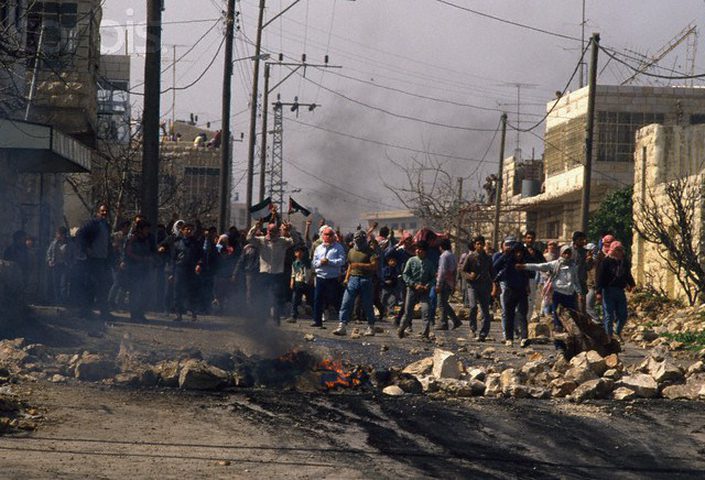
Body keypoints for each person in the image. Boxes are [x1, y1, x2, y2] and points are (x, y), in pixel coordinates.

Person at [518, 244, 581, 351]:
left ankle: (571, 345)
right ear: (561, 253)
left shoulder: (573, 266)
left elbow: (575, 281)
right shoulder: (555, 264)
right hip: (558, 294)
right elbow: (540, 266)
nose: (567, 255)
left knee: (571, 320)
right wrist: (524, 266)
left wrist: (579, 293)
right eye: (565, 253)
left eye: (569, 253)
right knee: (557, 320)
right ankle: (559, 345)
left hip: (570, 295)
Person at [247, 219, 299, 324]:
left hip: (277, 273)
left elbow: (296, 241)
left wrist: (291, 230)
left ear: (277, 232)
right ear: (267, 231)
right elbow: (249, 238)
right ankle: (263, 318)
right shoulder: (261, 240)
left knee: (277, 297)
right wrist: (256, 227)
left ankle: (276, 317)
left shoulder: (283, 241)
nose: (271, 233)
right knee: (264, 296)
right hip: (264, 273)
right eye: (269, 231)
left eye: (274, 231)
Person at [335, 230, 378, 336]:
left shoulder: (370, 252)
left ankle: (371, 326)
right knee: (346, 302)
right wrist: (346, 278)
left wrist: (360, 265)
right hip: (353, 279)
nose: (358, 242)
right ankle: (342, 326)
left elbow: (374, 266)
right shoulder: (351, 251)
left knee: (367, 304)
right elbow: (350, 265)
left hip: (366, 279)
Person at [76, 203, 113, 320]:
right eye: (102, 211)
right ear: (98, 212)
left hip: (102, 260)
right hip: (93, 260)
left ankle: (103, 312)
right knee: (91, 286)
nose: (104, 213)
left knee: (104, 286)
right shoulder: (93, 224)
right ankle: (85, 312)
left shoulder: (106, 225)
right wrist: (86, 249)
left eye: (106, 211)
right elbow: (80, 234)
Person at [493, 241, 531, 347]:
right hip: (510, 291)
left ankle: (524, 338)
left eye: (521, 252)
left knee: (522, 314)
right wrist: (505, 254)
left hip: (522, 291)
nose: (519, 255)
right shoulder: (508, 261)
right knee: (509, 315)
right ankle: (509, 338)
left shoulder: (524, 262)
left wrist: (527, 286)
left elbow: (529, 272)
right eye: (516, 252)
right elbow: (495, 266)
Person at [596, 241, 635, 343]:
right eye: (617, 250)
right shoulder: (606, 261)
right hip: (608, 290)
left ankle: (617, 331)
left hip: (620, 290)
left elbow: (627, 274)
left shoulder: (623, 262)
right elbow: (600, 277)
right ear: (613, 250)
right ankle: (608, 337)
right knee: (609, 315)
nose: (620, 252)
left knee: (623, 314)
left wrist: (632, 284)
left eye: (621, 250)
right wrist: (599, 292)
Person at [397, 240, 435, 339]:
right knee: (408, 312)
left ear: (425, 251)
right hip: (412, 290)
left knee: (426, 311)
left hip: (424, 292)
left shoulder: (429, 264)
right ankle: (401, 329)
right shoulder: (411, 261)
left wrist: (428, 285)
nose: (418, 251)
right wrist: (413, 284)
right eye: (417, 249)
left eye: (420, 250)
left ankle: (425, 334)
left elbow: (433, 278)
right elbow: (405, 274)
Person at [311, 227, 346, 328]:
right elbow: (314, 262)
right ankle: (317, 320)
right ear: (322, 236)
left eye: (330, 235)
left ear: (333, 236)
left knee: (334, 299)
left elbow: (342, 261)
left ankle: (342, 321)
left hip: (333, 278)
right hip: (320, 277)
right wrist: (320, 262)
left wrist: (329, 262)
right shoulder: (318, 248)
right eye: (326, 235)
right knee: (318, 299)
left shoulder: (338, 247)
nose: (327, 237)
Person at [463, 235, 495, 342]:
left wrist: (495, 286)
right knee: (473, 307)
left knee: (485, 310)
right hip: (472, 286)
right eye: (478, 244)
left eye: (481, 244)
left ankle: (483, 333)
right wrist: (469, 276)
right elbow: (463, 271)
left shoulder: (488, 258)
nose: (480, 246)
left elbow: (492, 273)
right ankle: (473, 329)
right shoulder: (470, 257)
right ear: (474, 245)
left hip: (484, 286)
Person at [172, 223, 202, 321]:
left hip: (191, 269)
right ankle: (178, 313)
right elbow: (173, 258)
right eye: (187, 229)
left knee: (192, 291)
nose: (189, 231)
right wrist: (172, 273)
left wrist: (199, 264)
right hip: (180, 269)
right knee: (178, 291)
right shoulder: (177, 243)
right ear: (182, 230)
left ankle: (193, 312)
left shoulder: (196, 243)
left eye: (191, 229)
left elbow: (201, 256)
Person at [124, 219, 153, 322]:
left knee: (144, 292)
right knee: (135, 293)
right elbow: (128, 253)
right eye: (145, 229)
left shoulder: (147, 239)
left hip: (144, 269)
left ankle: (140, 314)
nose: (147, 231)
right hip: (134, 269)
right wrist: (141, 259)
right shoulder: (133, 238)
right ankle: (134, 315)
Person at [586, 234, 614, 323]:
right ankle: (599, 321)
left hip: (603, 286)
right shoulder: (596, 257)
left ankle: (604, 322)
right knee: (589, 306)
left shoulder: (604, 257)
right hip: (593, 285)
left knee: (605, 306)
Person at [436, 238, 462, 330]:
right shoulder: (452, 255)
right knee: (444, 302)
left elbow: (442, 271)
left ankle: (445, 322)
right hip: (450, 282)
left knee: (441, 303)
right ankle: (453, 321)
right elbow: (455, 271)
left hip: (444, 282)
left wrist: (438, 284)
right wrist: (454, 284)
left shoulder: (444, 256)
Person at [46, 226, 73, 304]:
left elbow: (73, 254)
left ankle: (64, 301)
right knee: (56, 284)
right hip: (56, 265)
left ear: (63, 235)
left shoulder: (69, 244)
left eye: (59, 234)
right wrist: (49, 260)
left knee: (63, 283)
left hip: (65, 265)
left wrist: (71, 263)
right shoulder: (54, 243)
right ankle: (57, 301)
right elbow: (48, 253)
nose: (57, 236)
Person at [571, 231, 593, 315]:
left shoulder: (585, 252)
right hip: (569, 282)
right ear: (575, 240)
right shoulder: (569, 251)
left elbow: (588, 268)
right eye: (580, 240)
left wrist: (589, 260)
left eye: (583, 239)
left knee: (581, 306)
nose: (583, 241)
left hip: (581, 281)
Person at [290, 245, 312, 322]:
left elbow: (312, 272)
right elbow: (293, 273)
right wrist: (292, 281)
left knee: (311, 299)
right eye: (297, 252)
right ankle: (293, 316)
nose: (299, 253)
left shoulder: (308, 262)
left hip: (307, 283)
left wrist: (311, 279)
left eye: (301, 252)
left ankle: (315, 314)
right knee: (295, 299)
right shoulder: (295, 263)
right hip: (298, 282)